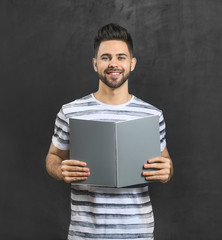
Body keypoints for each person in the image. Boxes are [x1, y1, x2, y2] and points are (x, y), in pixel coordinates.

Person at [46, 23, 173, 240]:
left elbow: (166, 164)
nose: (113, 63)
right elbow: (53, 157)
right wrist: (60, 170)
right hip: (85, 233)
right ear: (95, 64)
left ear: (132, 63)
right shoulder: (70, 111)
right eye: (105, 57)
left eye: (121, 57)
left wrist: (167, 171)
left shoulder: (152, 115)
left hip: (137, 233)